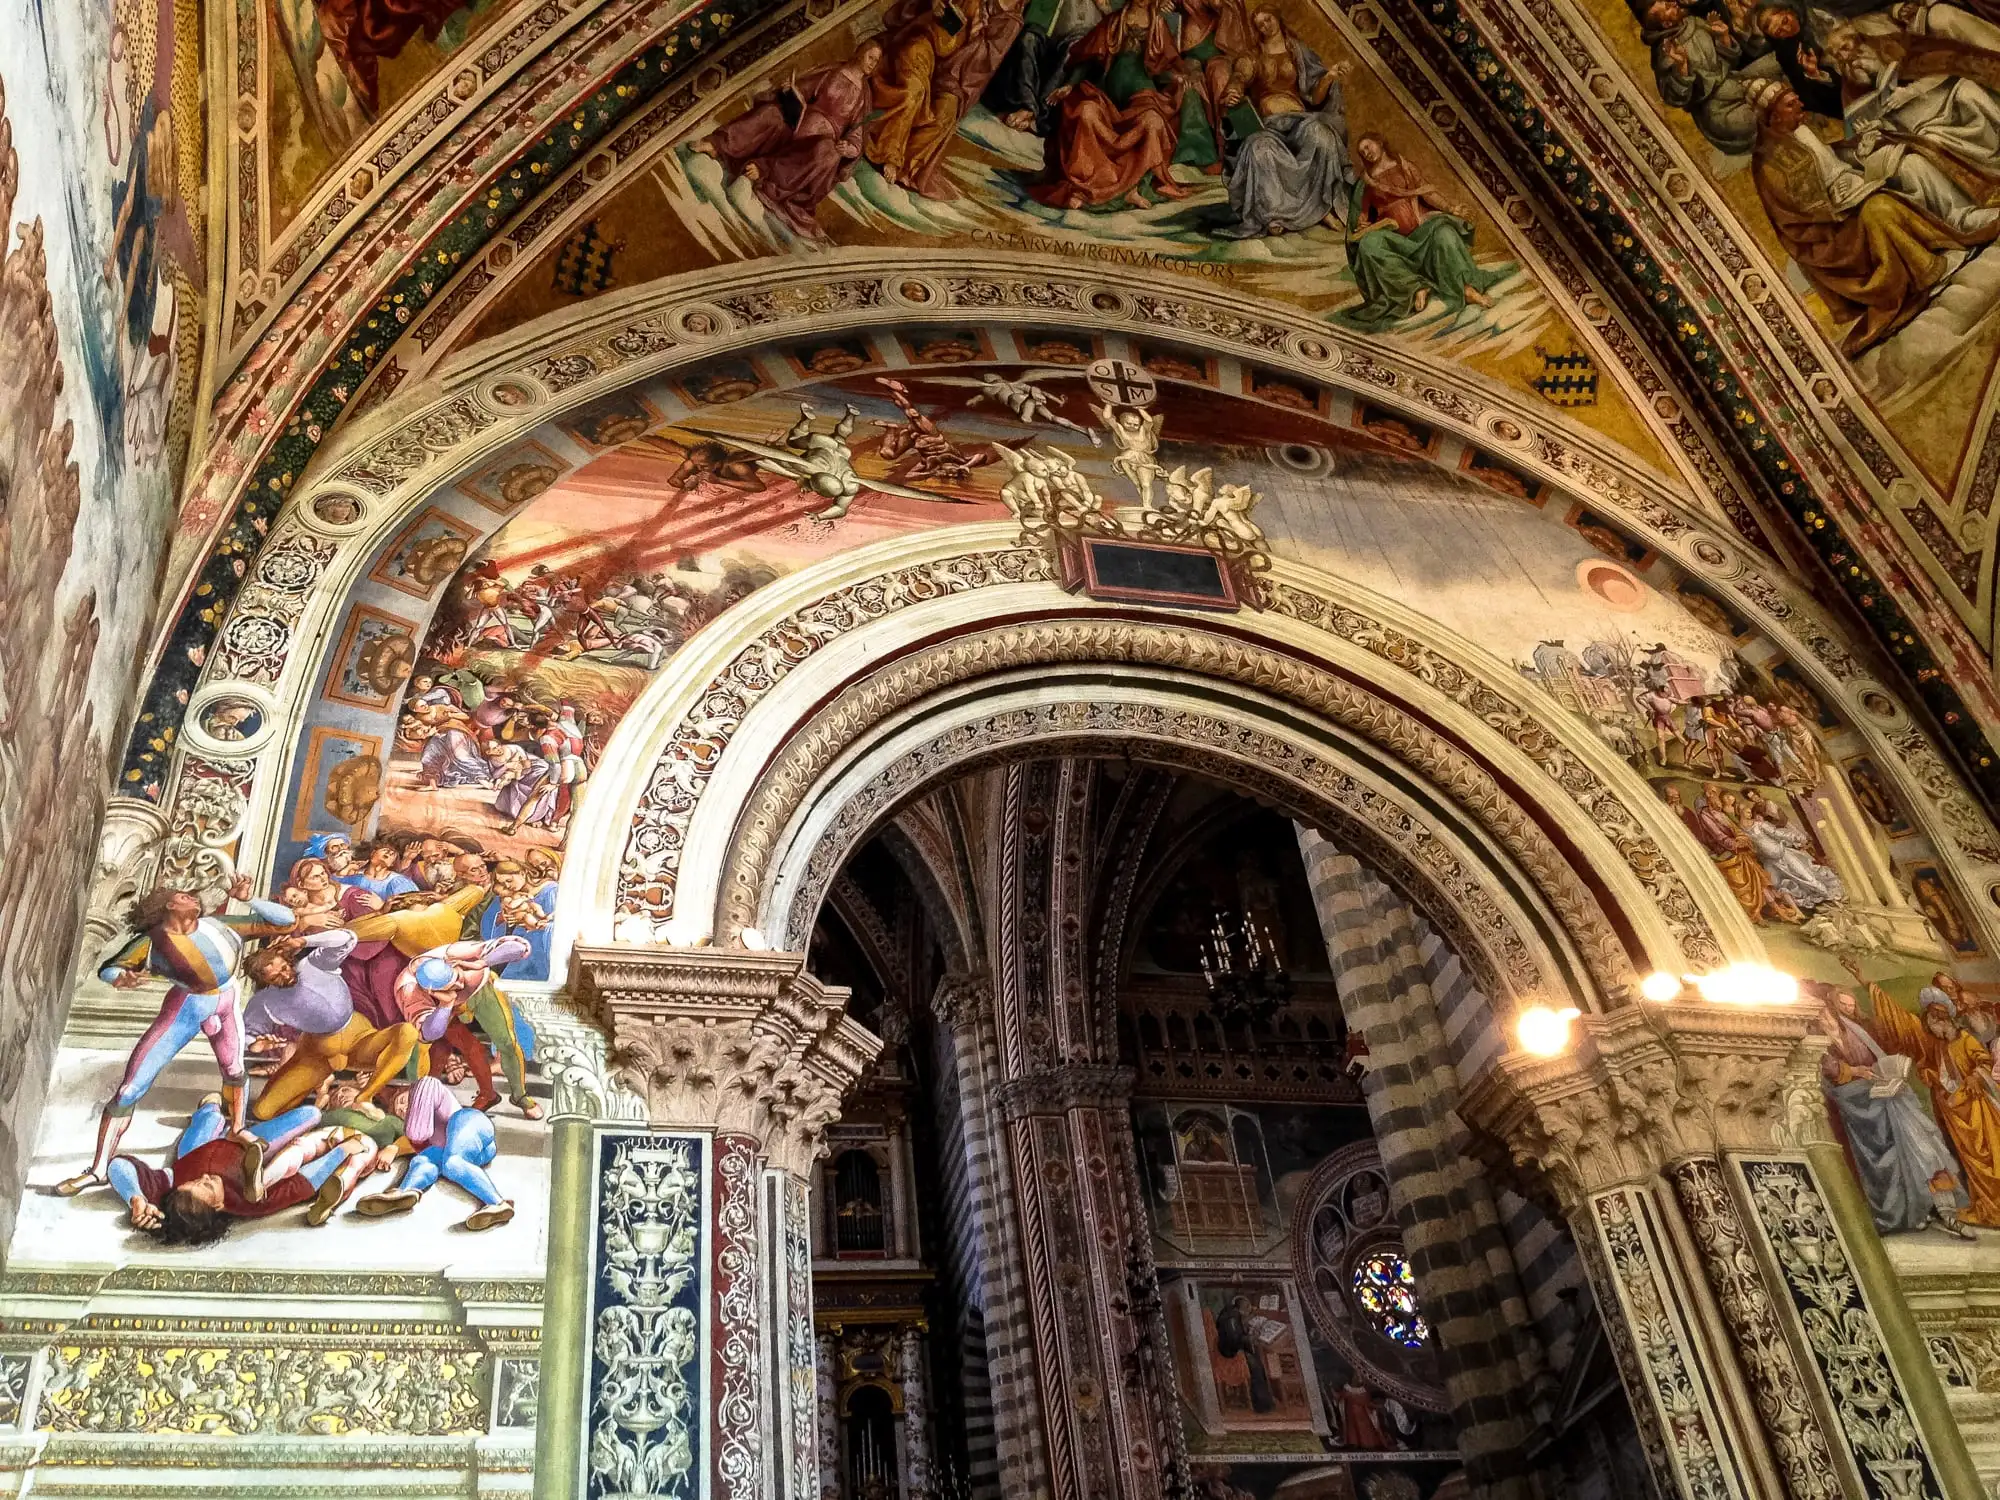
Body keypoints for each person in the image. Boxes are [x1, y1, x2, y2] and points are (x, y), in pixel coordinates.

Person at [58, 877, 297, 1198]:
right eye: (185, 896)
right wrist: (122, 979)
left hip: (225, 1000)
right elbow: (109, 969)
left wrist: (249, 897)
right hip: (186, 1007)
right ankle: (99, 1170)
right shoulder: (153, 942)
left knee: (235, 1070)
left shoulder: (219, 925)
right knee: (130, 1088)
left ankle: (237, 1128)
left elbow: (285, 922)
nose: (194, 898)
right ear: (169, 905)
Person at [1748, 78, 1995, 355]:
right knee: (1879, 209)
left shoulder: (1802, 130)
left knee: (1906, 166)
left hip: (1852, 192)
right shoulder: (1767, 164)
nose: (1801, 105)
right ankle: (1928, 269)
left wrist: (1863, 148)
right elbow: (1793, 221)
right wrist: (1830, 206)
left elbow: (1833, 161)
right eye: (1792, 104)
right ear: (1774, 115)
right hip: (1831, 235)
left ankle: (1957, 225)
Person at [1813, 974, 1975, 1237]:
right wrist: (1854, 1071)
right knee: (1892, 1160)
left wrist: (1885, 1073)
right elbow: (1829, 1069)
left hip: (1888, 1098)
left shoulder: (1855, 1028)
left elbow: (1879, 1056)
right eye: (1834, 1007)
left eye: (1827, 1009)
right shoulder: (1817, 1033)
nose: (1827, 1014)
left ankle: (1945, 1213)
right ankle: (1915, 1212)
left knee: (1924, 1150)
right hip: (1860, 1108)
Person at [109, 1091, 383, 1243]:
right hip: (251, 1152)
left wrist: (136, 1197)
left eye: (192, 1182)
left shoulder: (171, 1190)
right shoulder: (247, 1202)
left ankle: (211, 1109)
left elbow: (119, 1164)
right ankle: (216, 1111)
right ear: (217, 1206)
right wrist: (338, 1154)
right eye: (206, 1185)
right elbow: (303, 1183)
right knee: (310, 1116)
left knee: (207, 1117)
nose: (204, 1176)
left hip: (202, 1149)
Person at [1849, 956, 2000, 1225]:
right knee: (1970, 1160)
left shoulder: (1963, 1039)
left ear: (1949, 1019)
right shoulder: (1934, 1045)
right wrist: (1926, 1072)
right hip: (1952, 1110)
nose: (1936, 1023)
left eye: (1940, 1018)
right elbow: (1903, 1026)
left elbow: (1983, 1060)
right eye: (1931, 1019)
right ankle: (1986, 1206)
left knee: (1991, 1155)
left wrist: (1977, 1076)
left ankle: (1995, 1206)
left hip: (1976, 1107)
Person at [695, 40, 887, 234]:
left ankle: (765, 174)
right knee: (771, 114)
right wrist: (790, 90)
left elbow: (856, 136)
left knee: (828, 154)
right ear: (859, 52)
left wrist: (849, 148)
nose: (872, 63)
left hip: (821, 142)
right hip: (798, 123)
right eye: (870, 57)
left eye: (876, 61)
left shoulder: (863, 96)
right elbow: (803, 89)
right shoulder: (833, 71)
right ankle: (717, 144)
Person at [242, 928, 422, 1120]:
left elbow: (348, 938)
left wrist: (303, 941)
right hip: (318, 1054)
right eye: (275, 977)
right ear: (264, 982)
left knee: (408, 1032)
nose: (285, 976)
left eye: (284, 968)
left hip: (359, 1041)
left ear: (287, 960)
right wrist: (254, 1044)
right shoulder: (265, 1002)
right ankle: (305, 1121)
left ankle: (365, 1098)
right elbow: (246, 1034)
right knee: (264, 1111)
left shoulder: (314, 964)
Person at [1032, 0, 1192, 209]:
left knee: (1153, 122)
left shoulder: (1158, 25)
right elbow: (1088, 58)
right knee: (1085, 112)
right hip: (1106, 98)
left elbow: (1166, 64)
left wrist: (1177, 77)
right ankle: (1085, 186)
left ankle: (1133, 189)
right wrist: (1069, 85)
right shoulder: (1115, 22)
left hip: (1142, 98)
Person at [1340, 135, 1505, 327]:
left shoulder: (1404, 166)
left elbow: (1426, 192)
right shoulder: (1367, 182)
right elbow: (1364, 213)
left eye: (1368, 146)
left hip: (1422, 232)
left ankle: (1467, 289)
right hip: (1396, 241)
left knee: (1445, 233)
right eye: (1362, 152)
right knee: (1369, 245)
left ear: (1380, 142)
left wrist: (1451, 208)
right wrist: (1363, 224)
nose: (1367, 153)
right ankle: (1416, 286)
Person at [1215, 11, 1356, 237]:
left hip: (1301, 120)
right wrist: (1234, 90)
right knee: (1258, 148)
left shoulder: (1298, 53)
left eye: (1267, 19)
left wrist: (1329, 76)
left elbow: (1315, 98)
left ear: (1278, 19)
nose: (1264, 26)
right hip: (1269, 126)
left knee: (1322, 137)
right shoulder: (1253, 56)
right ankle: (1274, 214)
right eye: (1259, 24)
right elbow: (1240, 76)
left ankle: (1322, 207)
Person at [395, 935, 543, 1119]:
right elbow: (428, 1034)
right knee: (463, 1047)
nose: (460, 985)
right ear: (432, 992)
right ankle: (486, 1095)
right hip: (441, 1011)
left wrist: (483, 961)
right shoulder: (409, 992)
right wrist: (446, 1005)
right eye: (452, 986)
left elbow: (520, 947)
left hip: (480, 992)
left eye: (457, 977)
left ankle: (520, 1096)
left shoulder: (451, 954)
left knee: (507, 1042)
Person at [354, 1074, 516, 1231]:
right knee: (423, 1160)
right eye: (400, 1112)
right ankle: (404, 1192)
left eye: (403, 1101)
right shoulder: (425, 1135)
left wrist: (376, 1087)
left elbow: (428, 1084)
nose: (404, 1109)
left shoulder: (429, 1090)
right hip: (471, 1151)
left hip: (471, 1122)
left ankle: (498, 1203)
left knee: (452, 1162)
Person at [1644, 0, 1756, 151]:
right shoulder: (1665, 53)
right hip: (1717, 109)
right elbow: (1675, 99)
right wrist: (1682, 67)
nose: (1673, 3)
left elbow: (1730, 60)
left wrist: (1723, 36)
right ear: (1667, 24)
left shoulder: (1694, 22)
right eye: (1668, 7)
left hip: (1736, 81)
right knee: (1752, 124)